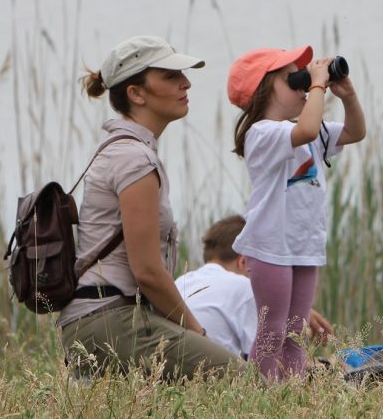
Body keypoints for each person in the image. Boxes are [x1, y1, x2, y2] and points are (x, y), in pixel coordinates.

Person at [58, 36, 239, 380]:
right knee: (239, 382)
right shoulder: (133, 159)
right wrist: (197, 334)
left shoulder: (128, 151)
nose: (185, 83)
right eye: (170, 77)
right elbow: (147, 272)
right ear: (136, 94)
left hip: (101, 320)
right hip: (110, 320)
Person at [226, 46, 366, 380]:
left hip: (304, 245)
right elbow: (302, 130)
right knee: (272, 330)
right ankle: (262, 396)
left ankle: (292, 393)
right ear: (264, 90)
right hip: (271, 246)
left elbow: (355, 132)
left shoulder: (310, 130)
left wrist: (347, 96)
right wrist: (317, 85)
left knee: (294, 332)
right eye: (295, 79)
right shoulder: (262, 133)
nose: (304, 85)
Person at [175, 215, 335, 357]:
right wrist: (329, 366)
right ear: (243, 261)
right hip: (216, 379)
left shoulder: (181, 281)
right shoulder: (244, 287)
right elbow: (271, 360)